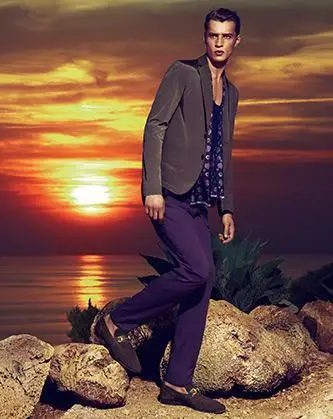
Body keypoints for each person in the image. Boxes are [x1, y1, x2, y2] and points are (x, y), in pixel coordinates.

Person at [94, 7, 242, 415]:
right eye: (212, 34)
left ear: (236, 41)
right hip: (170, 194)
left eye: (226, 36)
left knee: (203, 280)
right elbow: (155, 126)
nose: (218, 42)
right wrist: (152, 188)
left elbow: (225, 152)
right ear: (205, 37)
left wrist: (226, 207)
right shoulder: (182, 73)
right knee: (196, 269)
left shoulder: (231, 94)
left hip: (201, 200)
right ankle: (117, 322)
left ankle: (177, 383)